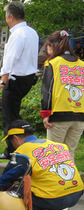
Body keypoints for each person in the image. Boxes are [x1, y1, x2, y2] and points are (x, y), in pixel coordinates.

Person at [0, 120, 83, 210]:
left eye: (9, 140)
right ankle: (49, 209)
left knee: (15, 189)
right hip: (76, 193)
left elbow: (4, 182)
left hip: (54, 198)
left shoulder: (23, 152)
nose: (11, 144)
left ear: (16, 138)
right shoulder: (58, 145)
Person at [0, 1, 39, 160]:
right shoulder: (32, 32)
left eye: (6, 17)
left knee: (9, 117)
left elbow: (10, 61)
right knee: (10, 112)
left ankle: (14, 151)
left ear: (10, 16)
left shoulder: (17, 34)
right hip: (28, 79)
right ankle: (18, 148)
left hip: (15, 79)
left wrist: (2, 82)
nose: (6, 20)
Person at [41, 30, 84, 159]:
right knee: (69, 154)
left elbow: (47, 91)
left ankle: (55, 180)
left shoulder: (52, 63)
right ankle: (70, 179)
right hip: (80, 115)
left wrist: (46, 113)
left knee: (55, 154)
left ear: (51, 45)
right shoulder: (82, 65)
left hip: (58, 114)